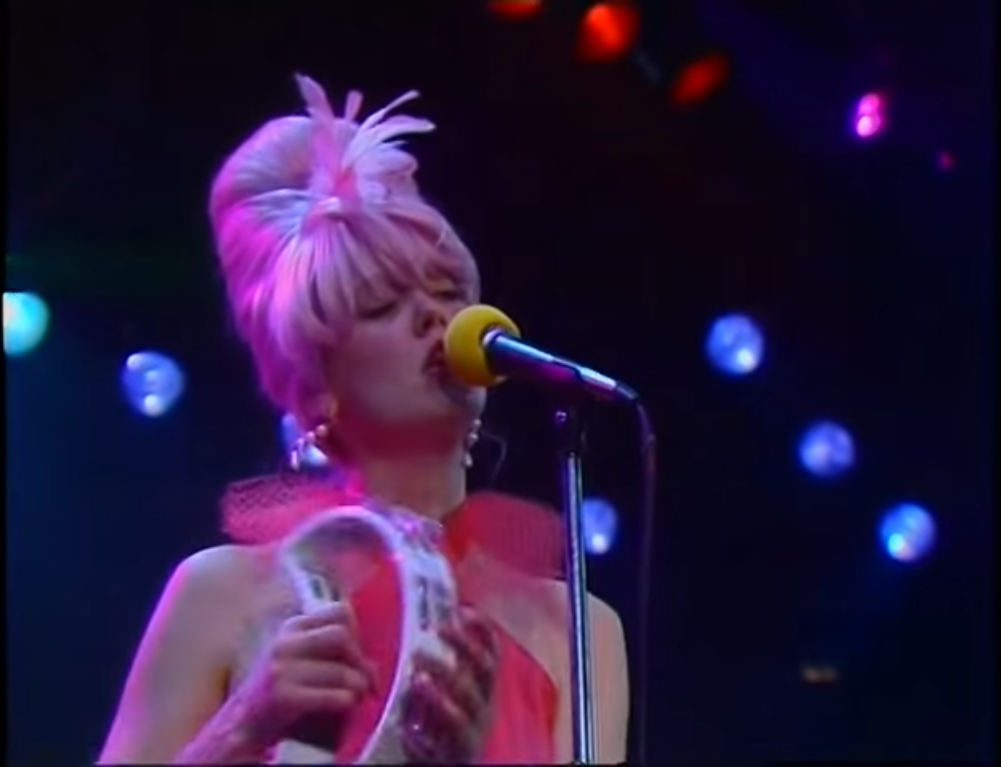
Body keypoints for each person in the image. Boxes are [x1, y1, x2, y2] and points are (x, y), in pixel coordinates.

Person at [98, 74, 629, 765]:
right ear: (316, 388)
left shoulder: (578, 628)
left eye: (449, 290)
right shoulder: (224, 592)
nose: (435, 316)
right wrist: (245, 726)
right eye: (383, 306)